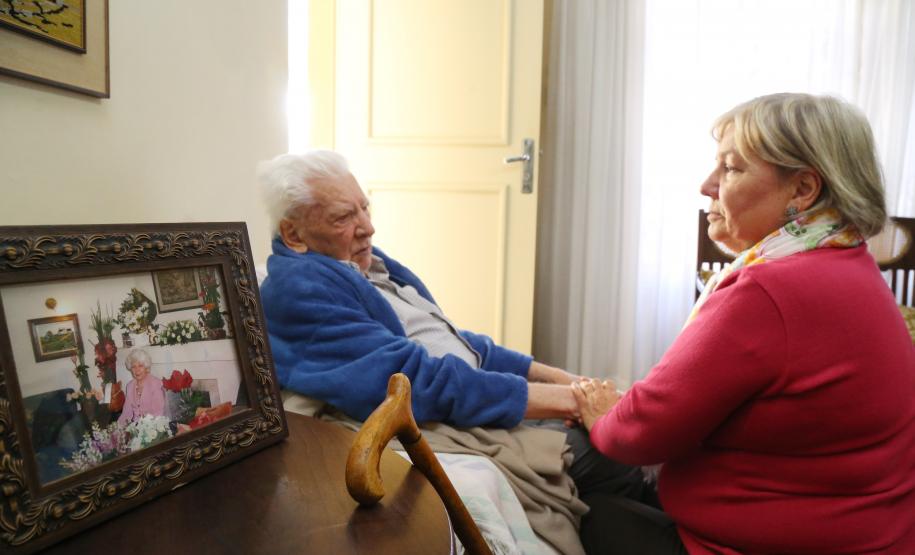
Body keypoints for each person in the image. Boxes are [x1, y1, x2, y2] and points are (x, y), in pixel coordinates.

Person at [257, 150, 652, 554]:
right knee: (605, 455)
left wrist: (566, 381)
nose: (368, 228)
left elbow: (453, 339)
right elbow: (421, 383)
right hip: (441, 413)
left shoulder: (366, 263)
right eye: (344, 218)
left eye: (365, 209)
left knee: (613, 459)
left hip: (465, 396)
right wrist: (572, 401)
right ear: (294, 235)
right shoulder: (300, 290)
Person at [572, 93, 915, 554]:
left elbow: (639, 435)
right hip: (865, 535)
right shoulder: (849, 260)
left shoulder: (769, 291)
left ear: (802, 190)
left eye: (731, 168)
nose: (707, 184)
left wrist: (601, 415)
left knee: (579, 504)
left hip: (752, 545)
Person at [117, 348, 166, 425]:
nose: (137, 370)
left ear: (146, 368)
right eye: (133, 367)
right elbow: (126, 413)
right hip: (135, 427)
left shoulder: (155, 384)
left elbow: (158, 413)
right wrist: (118, 428)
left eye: (140, 366)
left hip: (154, 427)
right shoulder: (130, 386)